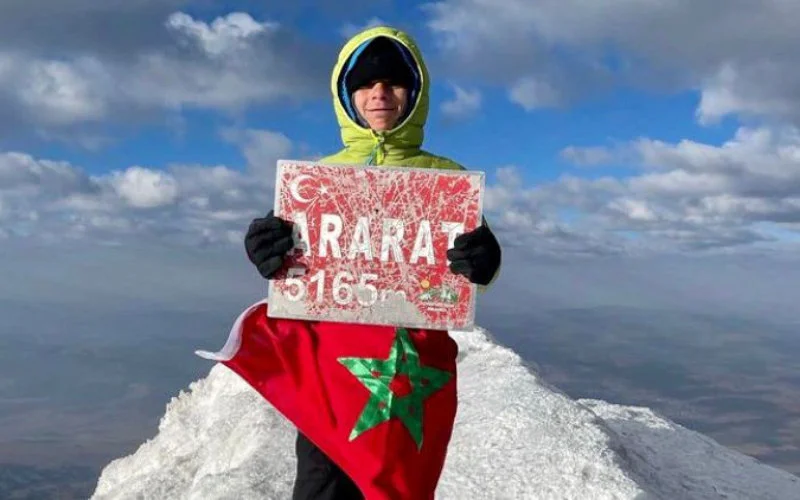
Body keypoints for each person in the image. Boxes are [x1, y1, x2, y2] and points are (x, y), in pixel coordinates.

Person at [243, 25, 501, 500]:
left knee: (397, 488)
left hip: (410, 374)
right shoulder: (318, 178)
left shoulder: (447, 180)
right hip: (330, 377)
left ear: (415, 92)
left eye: (393, 82)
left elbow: (471, 280)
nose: (379, 93)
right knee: (321, 488)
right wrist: (266, 250)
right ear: (346, 95)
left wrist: (484, 262)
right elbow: (293, 268)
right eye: (364, 83)